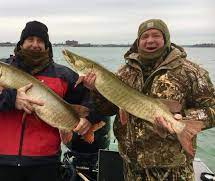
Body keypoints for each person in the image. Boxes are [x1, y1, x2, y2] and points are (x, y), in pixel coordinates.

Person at [0, 21, 95, 181]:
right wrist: (11, 99)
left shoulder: (63, 75)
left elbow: (89, 99)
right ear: (21, 43)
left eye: (40, 41)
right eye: (30, 39)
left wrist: (88, 118)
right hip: (0, 160)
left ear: (47, 46)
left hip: (45, 162)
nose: (35, 44)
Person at [82, 19, 215, 180]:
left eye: (156, 35)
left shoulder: (190, 72)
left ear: (165, 39)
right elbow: (107, 109)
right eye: (145, 37)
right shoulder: (124, 73)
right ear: (138, 42)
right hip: (132, 165)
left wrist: (183, 118)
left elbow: (211, 108)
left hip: (173, 168)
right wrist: (96, 90)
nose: (150, 40)